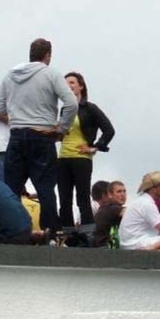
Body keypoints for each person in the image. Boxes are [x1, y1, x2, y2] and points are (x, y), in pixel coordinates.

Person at [0, 37, 79, 234]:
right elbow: (71, 103)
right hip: (42, 136)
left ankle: (10, 229)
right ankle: (50, 231)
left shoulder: (10, 76)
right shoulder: (51, 74)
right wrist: (62, 129)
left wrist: (17, 116)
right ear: (47, 56)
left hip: (16, 136)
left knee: (11, 189)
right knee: (45, 188)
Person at [57, 72, 115, 228]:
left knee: (82, 197)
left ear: (81, 86)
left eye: (72, 82)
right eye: (65, 83)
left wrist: (94, 147)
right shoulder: (64, 109)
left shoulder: (90, 108)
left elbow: (109, 130)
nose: (68, 86)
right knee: (64, 198)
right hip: (63, 157)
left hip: (81, 157)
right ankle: (67, 235)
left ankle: (88, 235)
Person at [118, 172, 160, 250]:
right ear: (154, 189)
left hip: (131, 243)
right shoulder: (147, 204)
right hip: (135, 244)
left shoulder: (143, 200)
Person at [93, 181, 124, 248]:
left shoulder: (101, 210)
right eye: (119, 191)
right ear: (109, 195)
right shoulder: (114, 209)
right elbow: (133, 215)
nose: (123, 194)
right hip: (109, 248)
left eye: (124, 191)